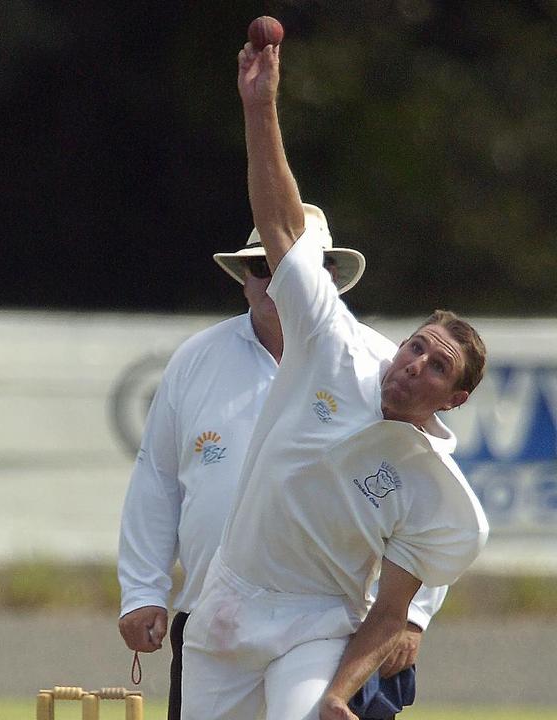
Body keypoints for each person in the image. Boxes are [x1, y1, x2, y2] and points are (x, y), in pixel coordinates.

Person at [177, 41, 489, 720]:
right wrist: (259, 105)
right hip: (229, 603)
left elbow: (390, 612)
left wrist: (340, 695)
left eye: (438, 367)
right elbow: (284, 226)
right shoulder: (332, 343)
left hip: (317, 621)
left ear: (455, 398)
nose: (415, 365)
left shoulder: (442, 495)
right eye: (417, 347)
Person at [118, 205, 447, 720]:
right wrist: (142, 589)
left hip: (325, 621)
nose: (275, 282)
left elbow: (429, 497)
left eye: (290, 269)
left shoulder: (378, 368)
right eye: (260, 268)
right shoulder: (195, 360)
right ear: (244, 279)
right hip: (211, 615)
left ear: (328, 279)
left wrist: (413, 615)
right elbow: (157, 481)